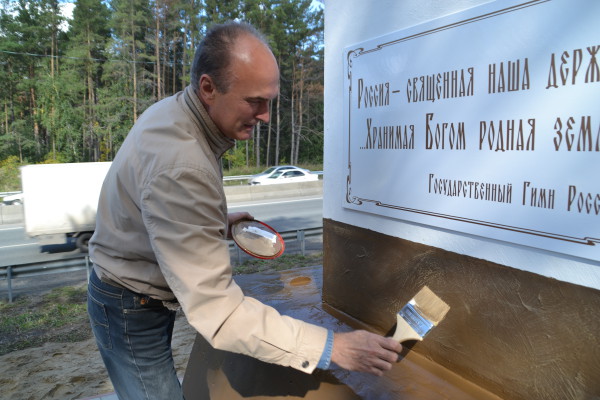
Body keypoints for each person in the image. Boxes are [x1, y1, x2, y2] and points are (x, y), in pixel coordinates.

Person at [87, 21, 402, 399]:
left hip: (132, 286)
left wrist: (211, 223)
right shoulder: (182, 163)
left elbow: (154, 207)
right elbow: (220, 314)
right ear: (208, 88)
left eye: (270, 101)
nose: (266, 116)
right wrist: (334, 347)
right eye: (255, 101)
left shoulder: (176, 114)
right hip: (127, 304)